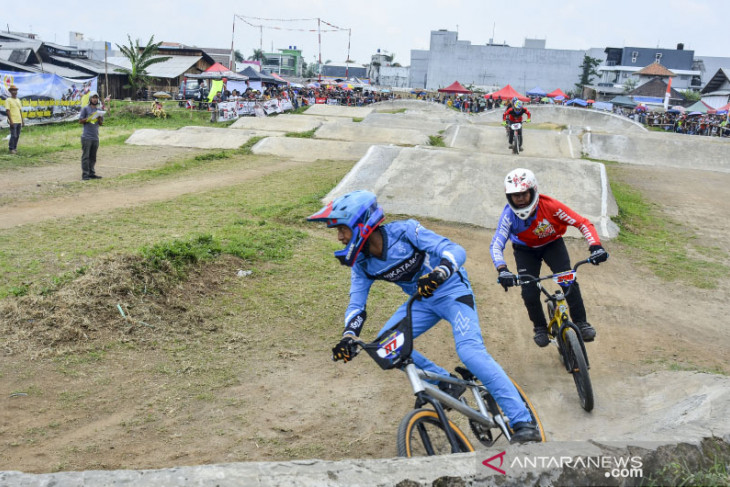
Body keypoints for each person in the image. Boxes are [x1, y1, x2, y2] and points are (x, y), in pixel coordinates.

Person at [307, 190, 542, 443]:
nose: (340, 237)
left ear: (361, 225)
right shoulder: (362, 264)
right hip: (422, 301)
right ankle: (448, 384)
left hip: (453, 292)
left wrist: (441, 272)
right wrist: (349, 336)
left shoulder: (405, 231)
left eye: (342, 229)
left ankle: (523, 421)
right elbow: (356, 303)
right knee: (386, 348)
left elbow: (454, 250)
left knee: (471, 353)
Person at [489, 168, 609, 348]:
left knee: (568, 280)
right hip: (525, 251)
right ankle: (540, 327)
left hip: (552, 245)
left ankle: (582, 323)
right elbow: (496, 244)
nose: (520, 198)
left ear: (533, 191)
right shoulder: (508, 216)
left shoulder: (551, 206)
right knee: (529, 291)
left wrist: (595, 247)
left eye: (523, 193)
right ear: (509, 197)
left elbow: (582, 223)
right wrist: (502, 269)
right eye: (515, 195)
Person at [78, 91, 104, 180]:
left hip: (95, 136)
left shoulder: (99, 110)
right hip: (86, 137)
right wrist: (88, 119)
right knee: (86, 156)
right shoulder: (85, 109)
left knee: (93, 157)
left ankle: (91, 173)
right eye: (93, 97)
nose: (95, 99)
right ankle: (85, 174)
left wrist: (99, 118)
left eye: (96, 98)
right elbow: (80, 121)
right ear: (90, 99)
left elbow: (100, 124)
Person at [4, 84, 24, 154]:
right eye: (13, 90)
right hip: (13, 121)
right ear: (10, 92)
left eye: (15, 90)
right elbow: (7, 111)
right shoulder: (8, 100)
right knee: (13, 135)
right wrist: (11, 121)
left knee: (17, 135)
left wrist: (22, 120)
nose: (14, 92)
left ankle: (15, 148)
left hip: (19, 120)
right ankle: (11, 148)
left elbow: (20, 110)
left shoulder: (18, 100)